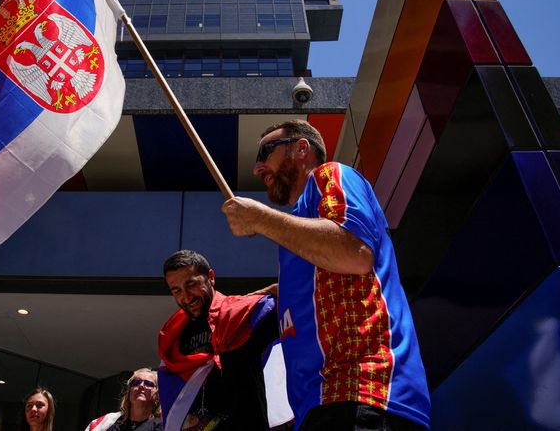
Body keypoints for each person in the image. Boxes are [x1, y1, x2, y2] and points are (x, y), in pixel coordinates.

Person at [222, 119, 431, 430]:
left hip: (362, 390)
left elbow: (353, 251)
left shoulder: (329, 175)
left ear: (302, 148)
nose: (257, 168)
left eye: (266, 152)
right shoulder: (297, 231)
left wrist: (261, 219)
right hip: (322, 406)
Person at [158, 249, 280, 431]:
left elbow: (303, 307)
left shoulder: (244, 315)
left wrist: (283, 291)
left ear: (211, 277)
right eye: (177, 290)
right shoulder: (172, 337)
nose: (186, 296)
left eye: (191, 284)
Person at [84, 368, 162, 431]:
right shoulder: (108, 423)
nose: (141, 386)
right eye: (136, 382)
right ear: (129, 394)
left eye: (148, 384)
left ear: (157, 397)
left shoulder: (163, 427)